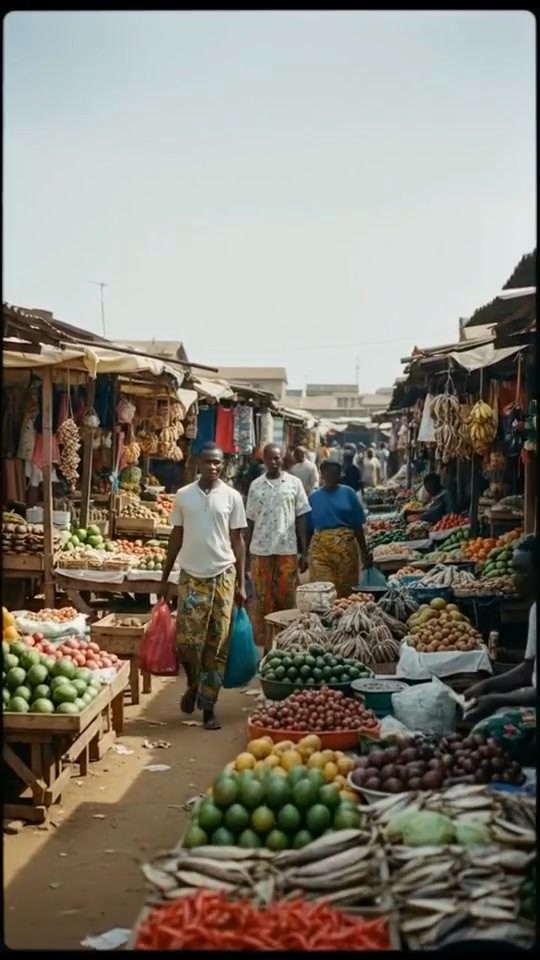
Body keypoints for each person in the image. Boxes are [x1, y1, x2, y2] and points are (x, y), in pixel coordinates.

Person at [159, 443, 247, 731]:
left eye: (218, 463)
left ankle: (209, 706)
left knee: (217, 643)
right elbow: (177, 533)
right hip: (191, 576)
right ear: (198, 462)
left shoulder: (233, 497)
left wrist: (242, 582)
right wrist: (164, 575)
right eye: (208, 462)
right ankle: (194, 683)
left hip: (223, 574)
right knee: (187, 642)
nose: (213, 467)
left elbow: (238, 540)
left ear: (223, 465)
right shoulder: (184, 496)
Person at [463, 534, 536, 763]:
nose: (515, 578)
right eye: (513, 570)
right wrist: (486, 685)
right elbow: (528, 668)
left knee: (487, 731)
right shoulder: (536, 608)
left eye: (522, 571)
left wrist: (497, 699)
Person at [245, 443, 310, 649]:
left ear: (283, 459)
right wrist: (246, 554)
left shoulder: (294, 483)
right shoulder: (256, 485)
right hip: (260, 552)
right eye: (271, 458)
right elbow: (250, 521)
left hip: (286, 551)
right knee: (262, 600)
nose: (275, 461)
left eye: (278, 457)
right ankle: (265, 647)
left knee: (287, 599)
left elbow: (301, 518)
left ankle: (285, 646)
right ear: (263, 460)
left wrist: (304, 551)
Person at [307, 460, 371, 598]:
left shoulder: (348, 493)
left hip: (345, 550)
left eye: (336, 474)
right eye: (329, 474)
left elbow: (357, 524)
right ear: (322, 474)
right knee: (323, 589)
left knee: (346, 588)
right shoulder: (313, 498)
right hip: (321, 549)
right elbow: (308, 529)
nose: (333, 477)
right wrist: (304, 554)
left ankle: (343, 614)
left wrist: (364, 552)